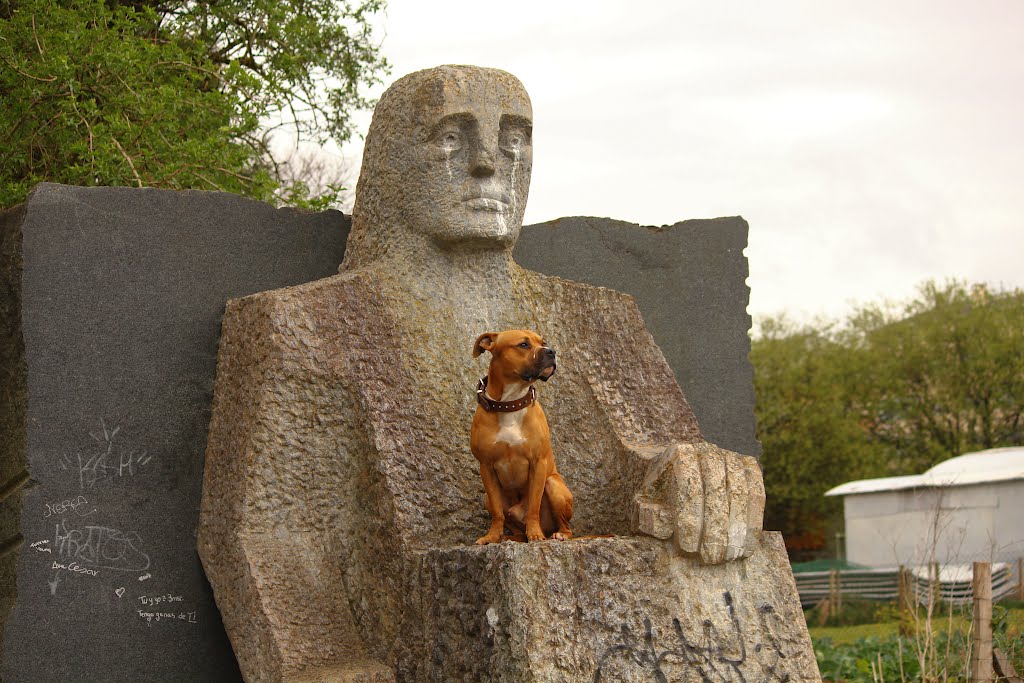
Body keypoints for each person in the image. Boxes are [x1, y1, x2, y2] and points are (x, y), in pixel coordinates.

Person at [198, 64, 765, 681]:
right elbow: (267, 531)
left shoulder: (602, 315)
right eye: (451, 135)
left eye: (515, 137)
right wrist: (326, 662)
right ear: (390, 163)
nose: (490, 162)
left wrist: (697, 472)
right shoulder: (303, 324)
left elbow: (654, 454)